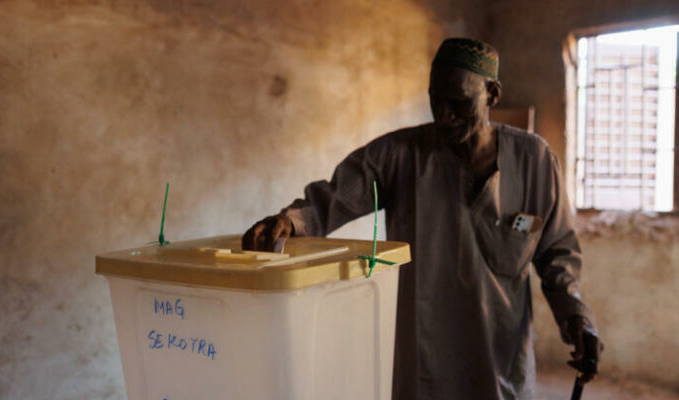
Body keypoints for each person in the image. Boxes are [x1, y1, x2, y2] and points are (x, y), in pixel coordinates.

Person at [242, 38, 602, 400]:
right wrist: (291, 222)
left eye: (459, 102)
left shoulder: (535, 162)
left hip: (500, 358)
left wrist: (576, 317)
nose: (444, 115)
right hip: (425, 359)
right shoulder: (399, 156)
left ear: (492, 94)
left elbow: (558, 256)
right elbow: (334, 197)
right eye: (436, 99)